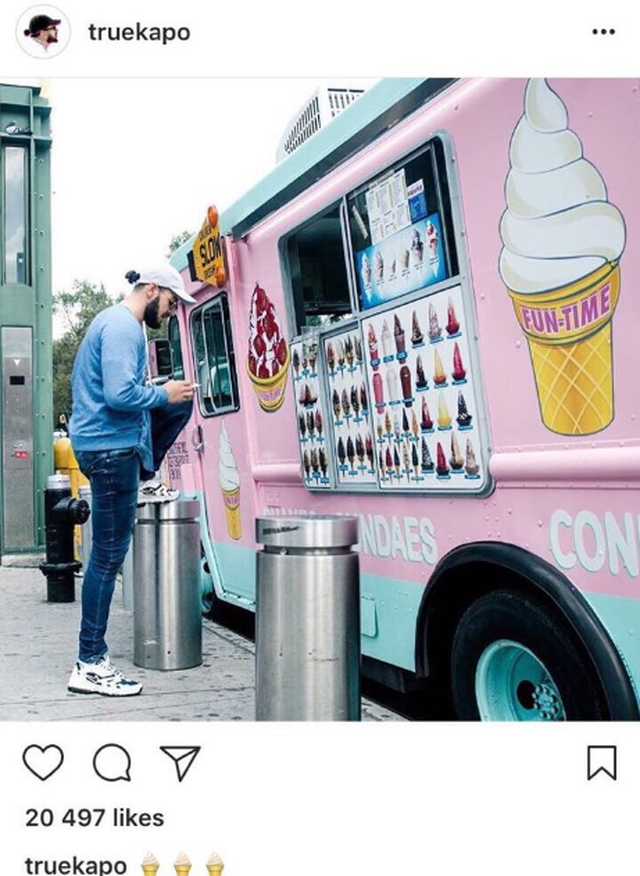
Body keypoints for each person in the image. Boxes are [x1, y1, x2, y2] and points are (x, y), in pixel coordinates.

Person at [67, 265, 197, 696]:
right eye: (172, 302)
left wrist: (164, 395)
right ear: (152, 289)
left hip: (108, 448)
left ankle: (146, 474)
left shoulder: (115, 322)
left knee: (179, 402)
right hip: (111, 451)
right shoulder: (124, 327)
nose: (172, 311)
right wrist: (162, 393)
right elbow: (119, 394)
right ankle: (90, 662)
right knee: (107, 559)